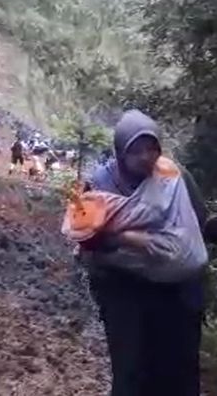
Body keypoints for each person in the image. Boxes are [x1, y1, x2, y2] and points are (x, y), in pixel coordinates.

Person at [80, 110, 207, 396]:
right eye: (136, 150)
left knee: (178, 370)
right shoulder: (102, 184)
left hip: (174, 290)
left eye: (152, 148)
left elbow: (197, 223)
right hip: (124, 289)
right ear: (120, 151)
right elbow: (87, 238)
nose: (145, 157)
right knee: (131, 369)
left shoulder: (174, 177)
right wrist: (127, 238)